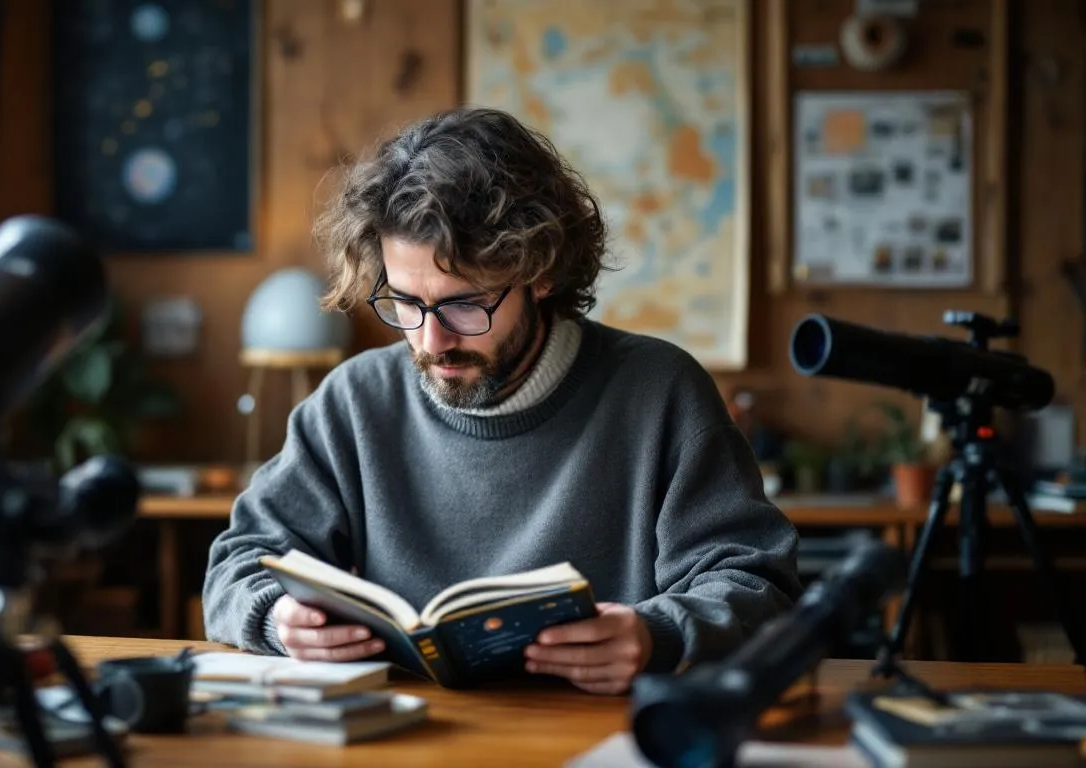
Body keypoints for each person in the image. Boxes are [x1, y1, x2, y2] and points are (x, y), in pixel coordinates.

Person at [203, 106, 801, 695]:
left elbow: (758, 582)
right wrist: (277, 619)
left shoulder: (659, 392)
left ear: (540, 272)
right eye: (406, 303)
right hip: (404, 742)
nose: (431, 340)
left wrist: (660, 634)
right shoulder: (354, 403)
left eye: (465, 304)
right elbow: (237, 563)